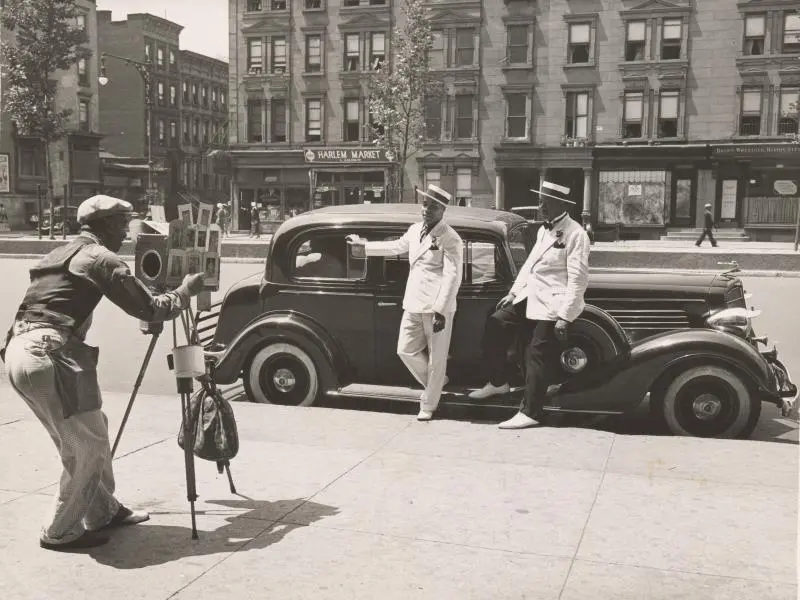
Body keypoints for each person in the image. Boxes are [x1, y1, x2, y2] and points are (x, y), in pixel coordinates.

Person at [1, 194, 206, 551]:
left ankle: (103, 511)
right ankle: (60, 530)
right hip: (49, 352)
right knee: (87, 449)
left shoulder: (62, 254)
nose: (126, 234)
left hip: (20, 350)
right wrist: (185, 292)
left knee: (89, 433)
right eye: (123, 225)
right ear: (108, 226)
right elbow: (148, 307)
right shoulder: (99, 257)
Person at [468, 181, 590, 430]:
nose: (540, 206)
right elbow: (529, 266)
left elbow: (578, 280)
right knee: (497, 322)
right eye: (540, 201)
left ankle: (531, 412)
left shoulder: (577, 234)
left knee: (537, 353)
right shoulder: (544, 230)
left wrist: (565, 317)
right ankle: (498, 381)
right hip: (529, 297)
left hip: (553, 305)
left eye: (546, 202)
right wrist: (513, 294)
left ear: (562, 204)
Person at [348, 184, 463, 421]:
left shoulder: (450, 238)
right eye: (425, 204)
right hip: (412, 301)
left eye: (433, 206)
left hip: (436, 306)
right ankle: (437, 383)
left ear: (443, 210)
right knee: (405, 350)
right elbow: (396, 246)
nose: (426, 209)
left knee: (437, 358)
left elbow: (453, 277)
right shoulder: (414, 230)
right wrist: (364, 245)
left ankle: (428, 405)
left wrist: (441, 310)